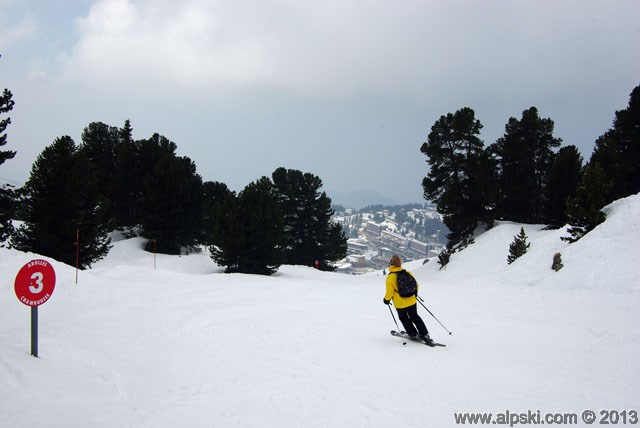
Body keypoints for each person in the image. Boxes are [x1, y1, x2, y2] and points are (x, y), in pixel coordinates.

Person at [383, 255, 433, 344]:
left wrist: (386, 300)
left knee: (404, 318)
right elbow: (416, 286)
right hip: (412, 300)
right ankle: (424, 333)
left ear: (391, 264)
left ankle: (413, 334)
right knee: (415, 316)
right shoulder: (408, 273)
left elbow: (390, 293)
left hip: (400, 303)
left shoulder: (390, 277)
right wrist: (414, 294)